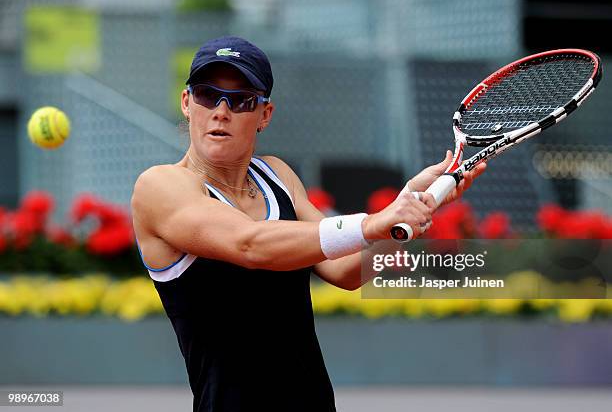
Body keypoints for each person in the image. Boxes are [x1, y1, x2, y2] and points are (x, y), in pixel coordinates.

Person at [130, 36, 485, 412]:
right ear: (187, 103)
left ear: (265, 115)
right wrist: (373, 223)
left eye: (241, 100)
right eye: (207, 94)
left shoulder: (278, 175)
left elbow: (346, 270)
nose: (221, 110)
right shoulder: (160, 186)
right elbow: (249, 245)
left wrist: (409, 206)